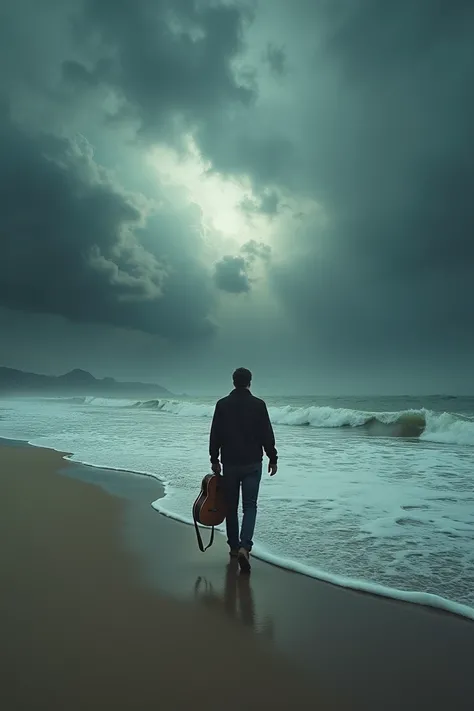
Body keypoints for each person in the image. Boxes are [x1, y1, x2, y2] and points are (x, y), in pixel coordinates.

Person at [209, 367, 278, 572]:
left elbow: (215, 434)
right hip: (252, 463)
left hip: (230, 463)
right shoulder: (259, 405)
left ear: (233, 382)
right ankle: (245, 547)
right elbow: (267, 433)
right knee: (250, 506)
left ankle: (233, 547)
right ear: (250, 382)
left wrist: (214, 459)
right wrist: (273, 458)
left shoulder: (222, 404)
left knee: (231, 506)